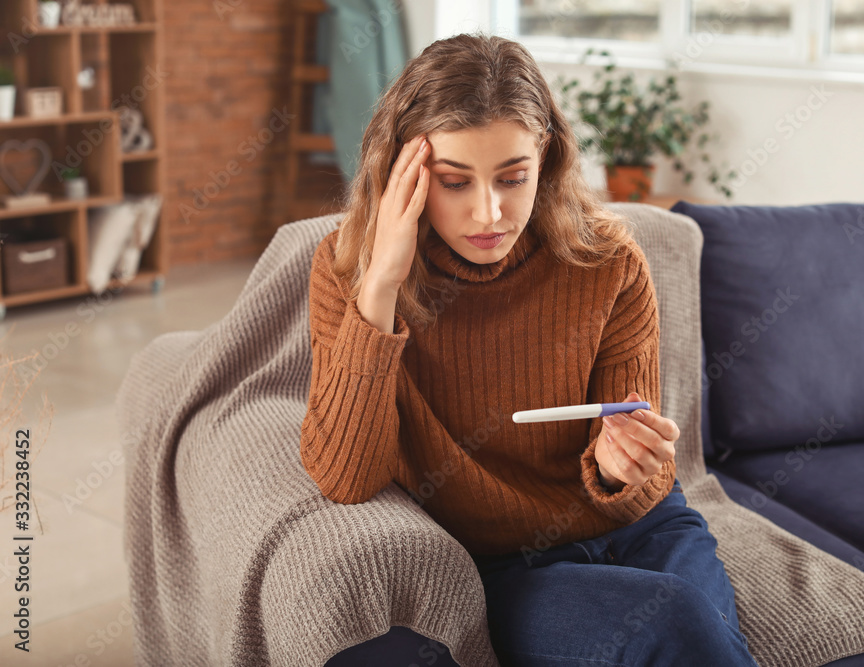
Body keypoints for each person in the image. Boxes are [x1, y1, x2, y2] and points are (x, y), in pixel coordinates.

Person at [300, 31, 759, 667]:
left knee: (710, 640)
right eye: (453, 182)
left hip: (640, 527)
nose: (488, 213)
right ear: (401, 174)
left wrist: (619, 464)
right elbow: (347, 478)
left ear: (544, 156)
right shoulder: (346, 272)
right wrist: (381, 283)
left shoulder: (609, 262)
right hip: (505, 562)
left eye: (512, 178)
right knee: (677, 624)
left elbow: (641, 474)